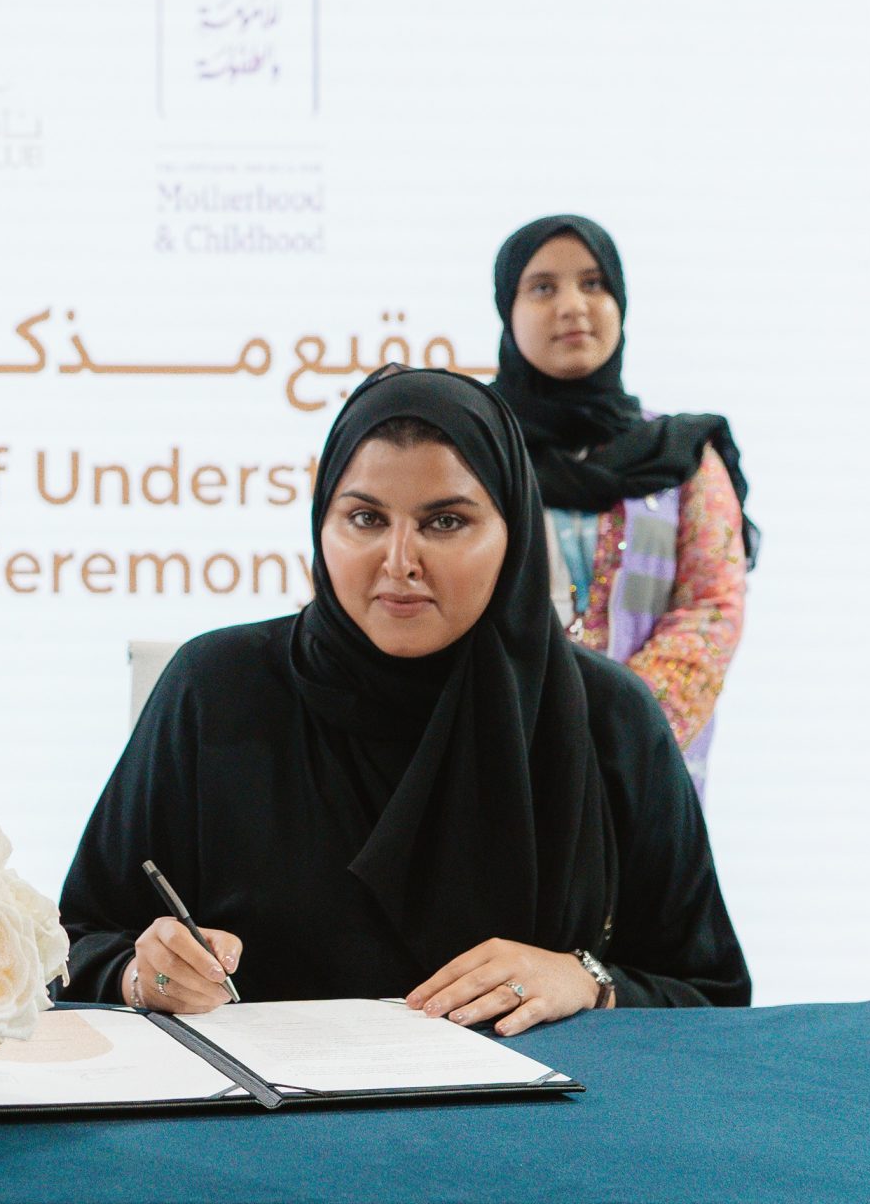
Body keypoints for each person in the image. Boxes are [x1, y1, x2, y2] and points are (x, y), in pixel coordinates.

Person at [58, 365, 749, 1035]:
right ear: (322, 523)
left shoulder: (607, 718)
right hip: (261, 1114)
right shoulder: (216, 689)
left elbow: (712, 998)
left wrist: (588, 981)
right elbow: (74, 945)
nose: (398, 561)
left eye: (444, 522)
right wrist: (139, 974)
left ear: (513, 531)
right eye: (364, 517)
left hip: (548, 1114)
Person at [487, 215, 754, 793]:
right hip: (500, 760)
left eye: (594, 283)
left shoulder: (681, 454)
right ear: (507, 309)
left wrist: (616, 731)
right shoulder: (472, 450)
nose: (572, 306)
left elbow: (712, 606)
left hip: (640, 774)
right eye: (542, 287)